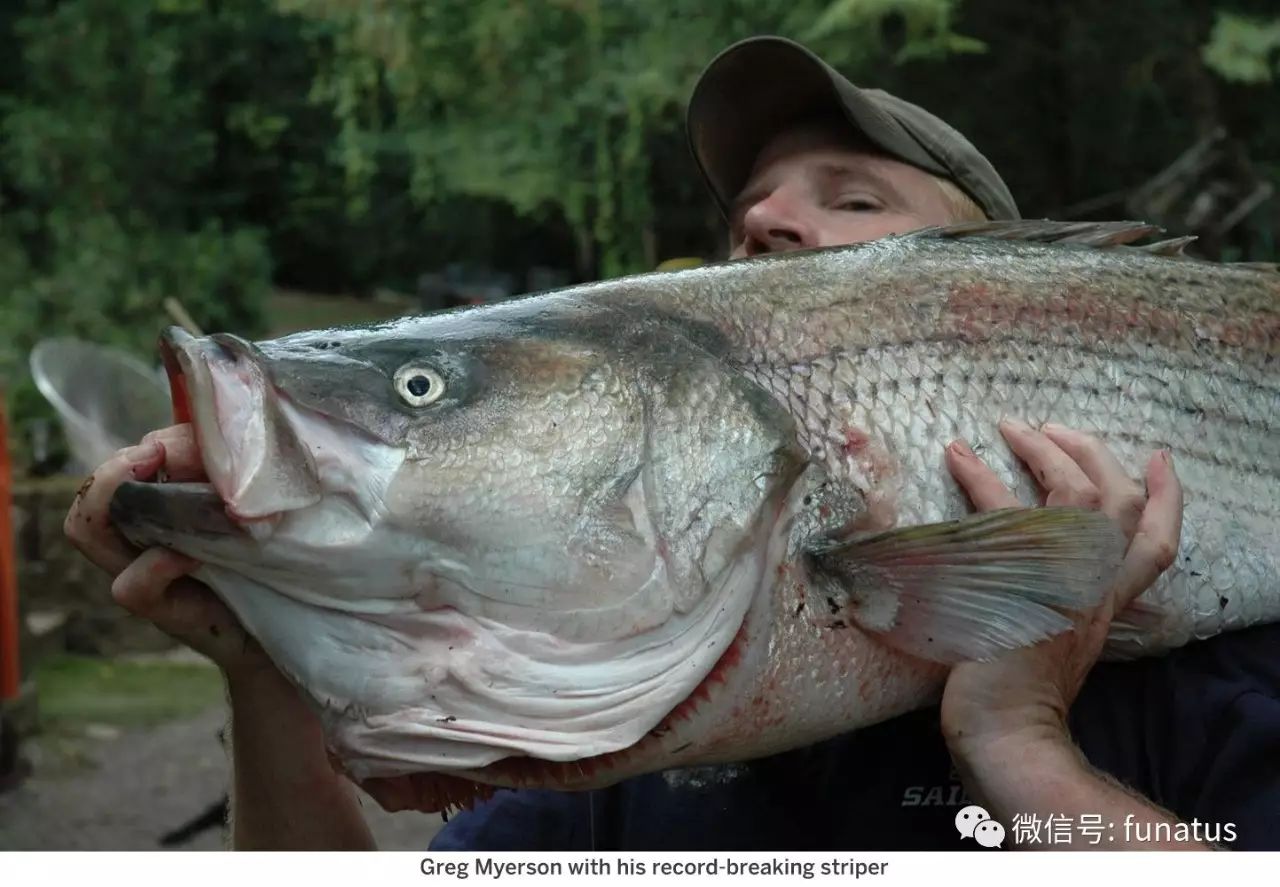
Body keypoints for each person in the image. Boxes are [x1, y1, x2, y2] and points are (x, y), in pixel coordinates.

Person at [64, 36, 1280, 851]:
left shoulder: (1207, 691)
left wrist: (1018, 740)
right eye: (746, 216)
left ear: (978, 300)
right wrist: (263, 665)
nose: (763, 217)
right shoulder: (628, 732)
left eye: (850, 200)